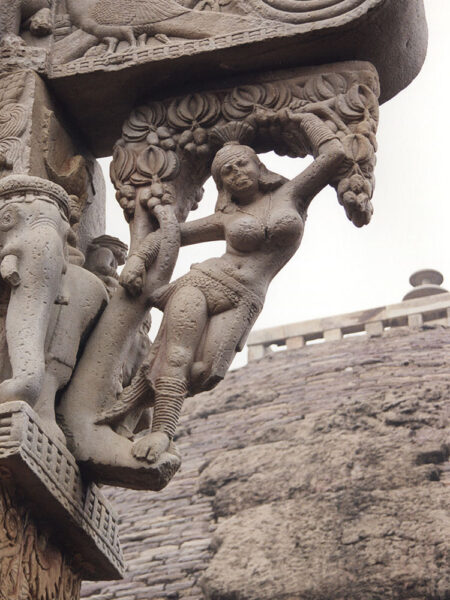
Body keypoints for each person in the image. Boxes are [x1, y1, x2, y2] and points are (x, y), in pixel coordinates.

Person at [109, 111, 347, 463]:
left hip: (245, 296)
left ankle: (129, 403)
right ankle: (160, 431)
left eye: (241, 165)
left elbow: (334, 156)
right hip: (204, 282)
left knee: (205, 372)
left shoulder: (293, 194)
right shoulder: (227, 217)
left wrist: (301, 118)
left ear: (258, 166)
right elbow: (170, 235)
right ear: (222, 183)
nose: (237, 174)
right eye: (227, 173)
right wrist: (137, 260)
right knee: (177, 356)